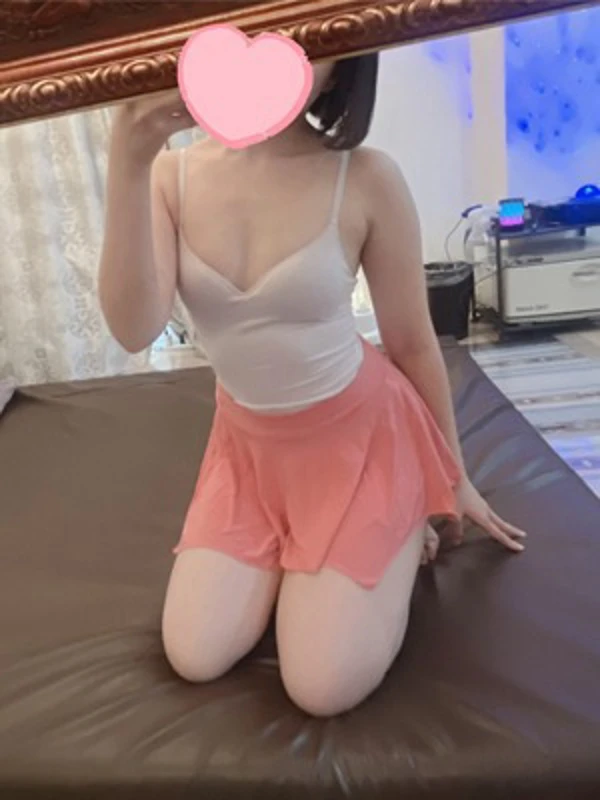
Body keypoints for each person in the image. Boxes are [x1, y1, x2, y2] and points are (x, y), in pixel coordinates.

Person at [99, 54, 526, 718]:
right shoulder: (170, 176)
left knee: (320, 687)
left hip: (362, 444)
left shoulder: (366, 177)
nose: (278, 51)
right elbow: (133, 330)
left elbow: (412, 342)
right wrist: (127, 162)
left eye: (308, 37)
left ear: (345, 60)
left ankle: (399, 516)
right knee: (194, 653)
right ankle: (296, 553)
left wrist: (451, 476)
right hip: (248, 454)